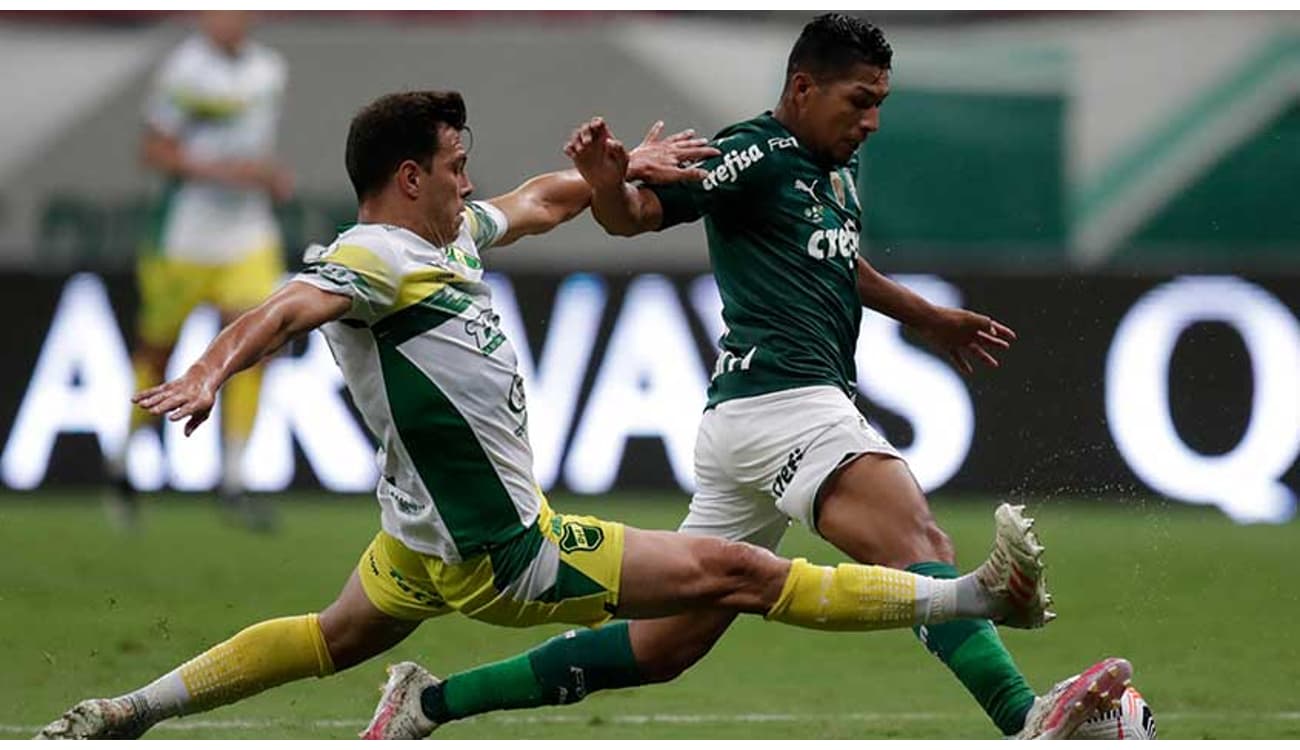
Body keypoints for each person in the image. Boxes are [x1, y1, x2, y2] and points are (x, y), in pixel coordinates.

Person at [35, 90, 1056, 742]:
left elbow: (537, 200)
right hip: (504, 553)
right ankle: (973, 600)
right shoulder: (373, 257)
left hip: (413, 541)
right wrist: (214, 365)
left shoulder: (448, 241)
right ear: (407, 179)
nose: (467, 179)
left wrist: (622, 176)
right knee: (740, 575)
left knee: (326, 638)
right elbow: (284, 308)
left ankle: (129, 712)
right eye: (451, 164)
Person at [380, 14, 1140, 742]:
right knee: (916, 538)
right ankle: (1024, 717)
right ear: (803, 89)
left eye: (880, 104)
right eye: (860, 102)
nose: (871, 121)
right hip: (786, 401)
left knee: (660, 648)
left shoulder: (832, 174)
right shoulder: (754, 151)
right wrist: (607, 183)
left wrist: (924, 315)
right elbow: (633, 216)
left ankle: (428, 702)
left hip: (744, 425)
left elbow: (837, 259)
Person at [105, 10, 292, 531]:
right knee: (159, 352)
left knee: (256, 345)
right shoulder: (183, 71)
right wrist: (233, 174)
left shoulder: (269, 70)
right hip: (183, 237)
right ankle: (123, 464)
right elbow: (155, 152)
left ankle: (233, 478)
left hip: (247, 235)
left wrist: (267, 177)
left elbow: (253, 146)